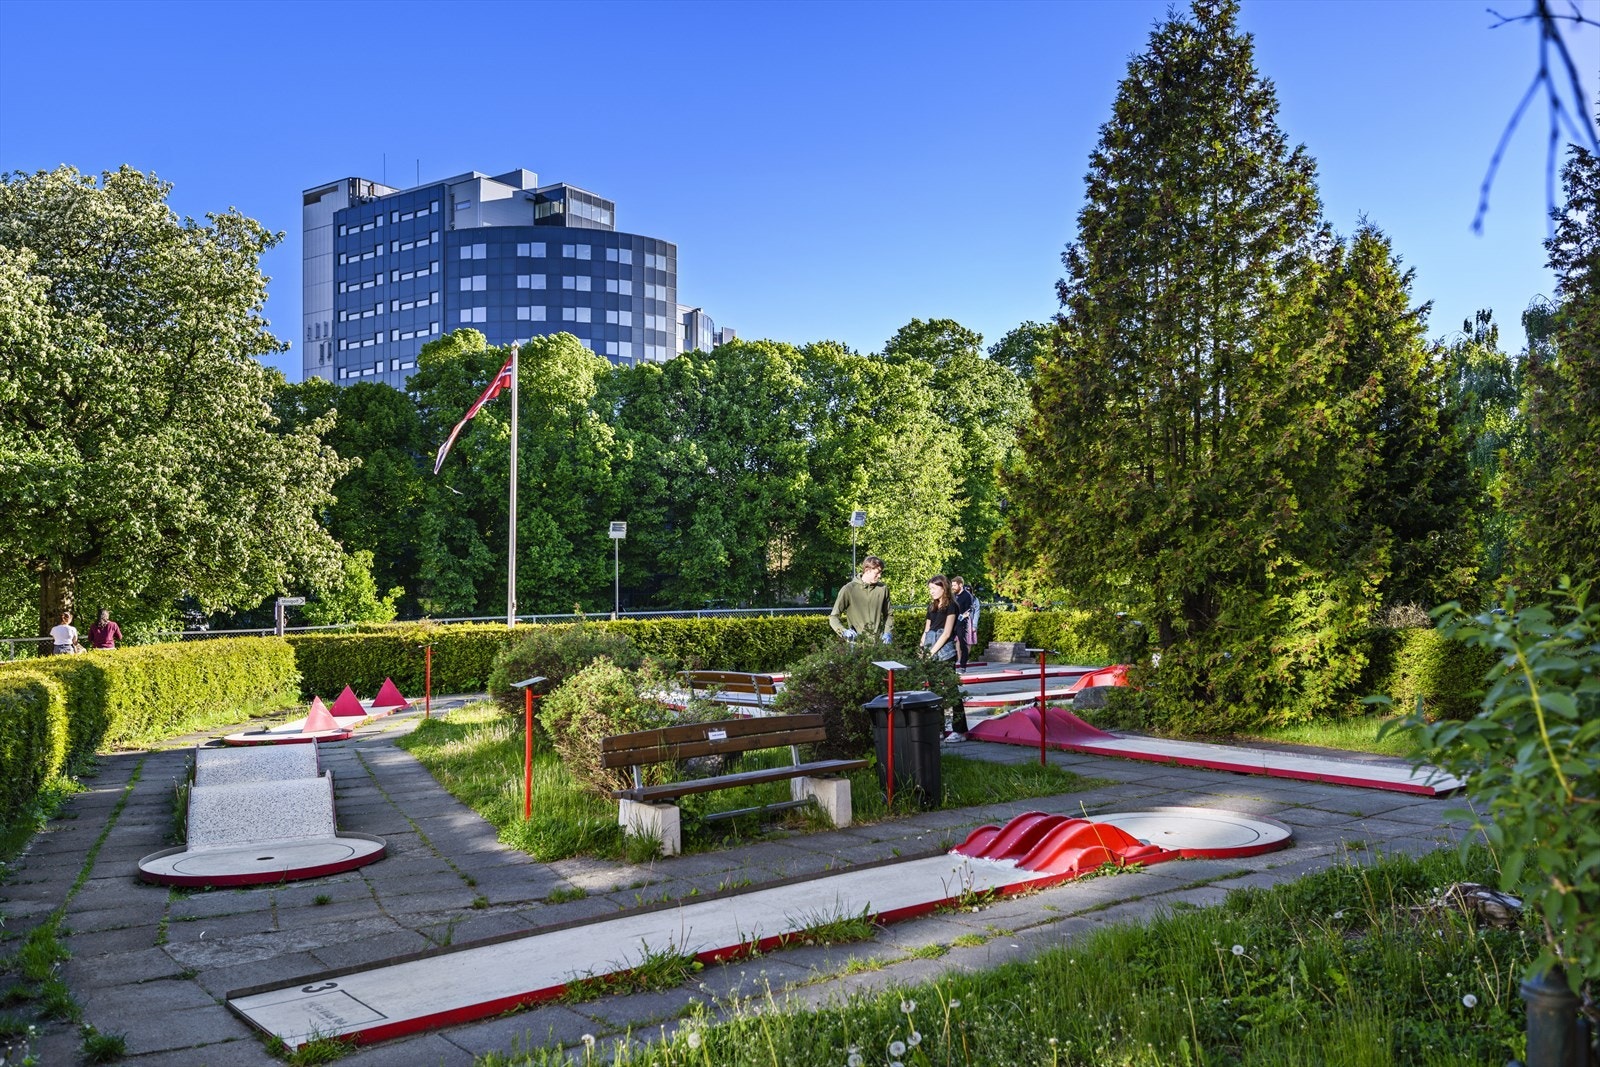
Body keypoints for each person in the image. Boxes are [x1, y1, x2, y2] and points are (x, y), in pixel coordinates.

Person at [921, 576, 971, 742]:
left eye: (934, 588)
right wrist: (922, 648)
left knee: (950, 690)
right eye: (930, 589)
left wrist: (932, 652)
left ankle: (960, 730)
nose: (931, 592)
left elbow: (947, 633)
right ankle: (939, 729)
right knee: (934, 692)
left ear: (943, 588)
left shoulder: (952, 606)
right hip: (931, 649)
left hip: (944, 652)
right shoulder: (932, 606)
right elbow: (927, 630)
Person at [829, 555, 893, 643]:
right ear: (867, 570)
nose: (880, 576)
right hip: (857, 644)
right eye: (877, 573)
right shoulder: (849, 589)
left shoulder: (882, 589)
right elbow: (833, 617)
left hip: (878, 645)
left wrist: (887, 632)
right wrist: (843, 632)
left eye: (881, 572)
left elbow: (889, 614)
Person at [951, 576, 977, 669]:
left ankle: (963, 665)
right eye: (952, 585)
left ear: (960, 585)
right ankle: (951, 664)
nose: (953, 587)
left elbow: (969, 609)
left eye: (954, 585)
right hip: (953, 622)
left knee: (963, 643)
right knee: (950, 642)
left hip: (962, 623)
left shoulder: (967, 596)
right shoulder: (953, 595)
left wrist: (962, 616)